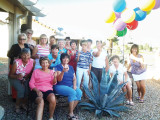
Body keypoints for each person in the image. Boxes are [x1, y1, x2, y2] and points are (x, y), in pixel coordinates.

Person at [54, 53, 82, 120]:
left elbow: (74, 78)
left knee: (79, 92)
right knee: (72, 92)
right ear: (61, 59)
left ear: (69, 59)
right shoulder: (57, 67)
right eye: (64, 58)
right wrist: (63, 71)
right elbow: (58, 79)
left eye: (67, 58)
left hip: (70, 85)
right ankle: (71, 114)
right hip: (59, 86)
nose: (65, 59)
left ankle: (70, 111)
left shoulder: (71, 67)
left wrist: (75, 85)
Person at [8, 48, 35, 113]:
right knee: (21, 90)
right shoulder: (16, 63)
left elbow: (31, 72)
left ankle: (23, 104)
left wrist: (25, 79)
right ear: (20, 55)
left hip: (25, 78)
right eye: (24, 55)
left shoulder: (32, 61)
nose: (26, 57)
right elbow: (10, 75)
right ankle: (17, 106)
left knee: (26, 91)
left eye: (28, 55)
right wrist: (17, 76)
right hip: (14, 78)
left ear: (30, 55)